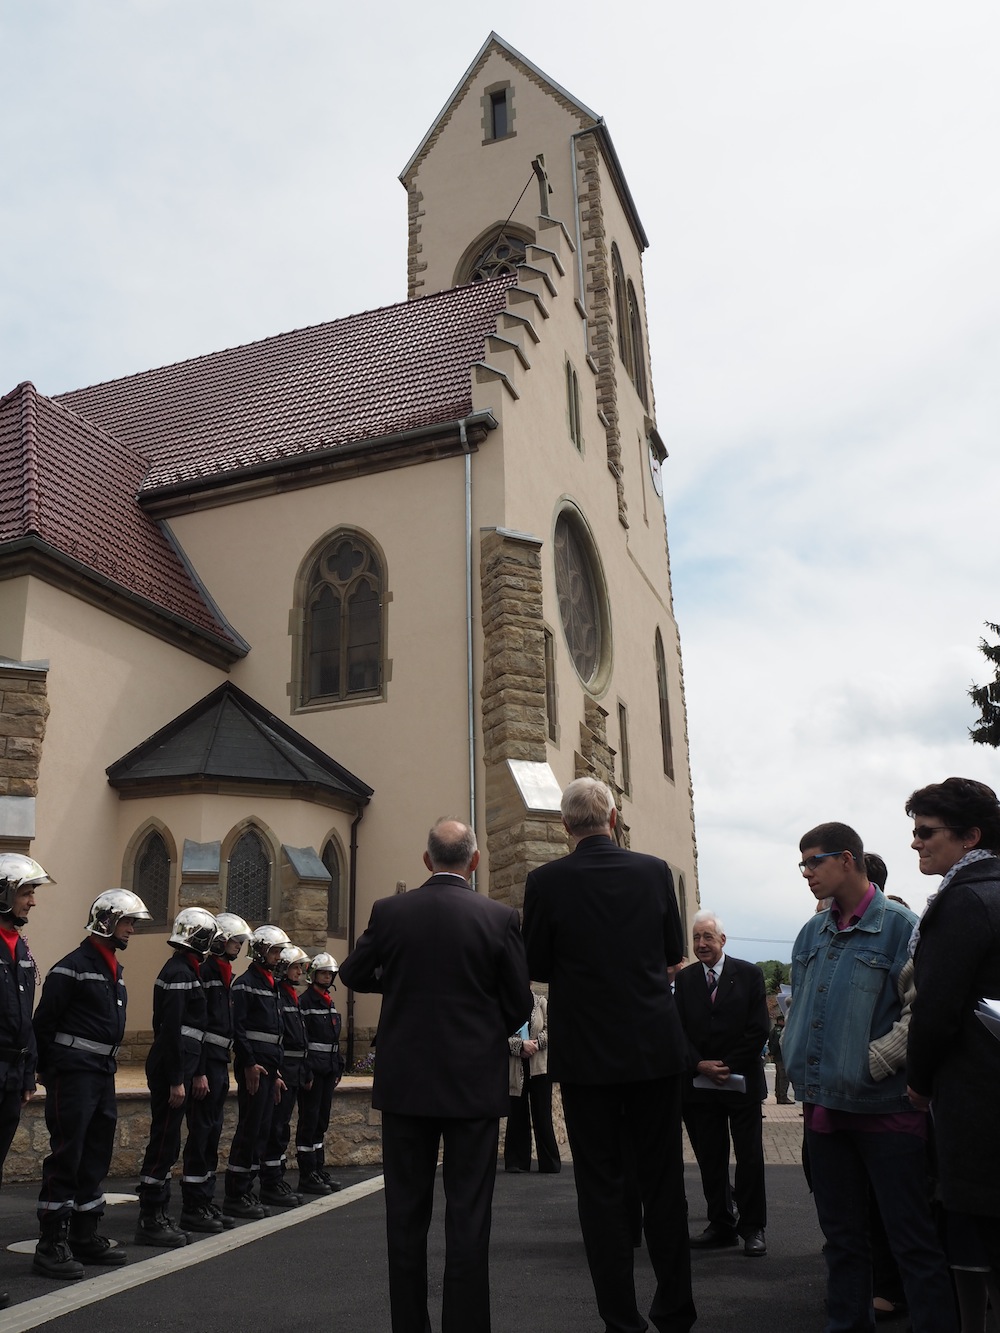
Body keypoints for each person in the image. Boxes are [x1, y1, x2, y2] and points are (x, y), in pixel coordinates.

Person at [339, 817, 530, 1333]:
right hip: (472, 1084)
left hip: (407, 1083)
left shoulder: (390, 911)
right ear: (474, 861)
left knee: (405, 1214)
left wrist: (400, 984)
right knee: (469, 1215)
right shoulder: (498, 917)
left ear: (427, 861)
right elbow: (517, 1002)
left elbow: (353, 973)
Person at [523, 776, 696, 1333]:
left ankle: (621, 1319)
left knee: (598, 1188)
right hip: (652, 1048)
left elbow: (539, 965)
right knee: (662, 1180)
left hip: (588, 1055)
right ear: (614, 818)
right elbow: (673, 951)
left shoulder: (545, 881)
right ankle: (675, 1309)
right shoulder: (652, 871)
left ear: (565, 826)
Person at [782, 822, 957, 1333]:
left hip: (886, 1113)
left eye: (814, 861)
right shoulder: (811, 932)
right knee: (842, 1242)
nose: (807, 873)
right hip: (824, 1110)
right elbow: (798, 1010)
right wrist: (797, 1063)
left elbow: (922, 1012)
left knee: (912, 1242)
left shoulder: (902, 925)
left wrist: (877, 1060)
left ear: (848, 860)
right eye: (803, 864)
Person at [905, 778, 1000, 1330]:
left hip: (974, 1092)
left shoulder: (962, 900)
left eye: (926, 832)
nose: (916, 842)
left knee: (980, 1238)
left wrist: (918, 1082)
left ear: (970, 837)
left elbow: (935, 1011)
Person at [33, 889, 151, 1279]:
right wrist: (49, 1071)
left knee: (95, 1152)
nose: (132, 930)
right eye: (127, 922)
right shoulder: (72, 966)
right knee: (68, 1154)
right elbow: (45, 1023)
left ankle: (85, 1233)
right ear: (106, 922)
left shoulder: (112, 968)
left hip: (101, 1072)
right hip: (74, 1073)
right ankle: (51, 1244)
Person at [673, 910, 769, 1257]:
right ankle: (721, 1224)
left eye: (708, 938)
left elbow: (759, 1028)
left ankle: (753, 1227)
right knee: (711, 1159)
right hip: (700, 1086)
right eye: (697, 938)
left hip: (740, 1083)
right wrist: (699, 1063)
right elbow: (677, 1030)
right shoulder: (685, 982)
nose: (701, 944)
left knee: (749, 1158)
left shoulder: (749, 974)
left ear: (722, 940)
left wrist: (724, 1066)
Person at [135, 906, 221, 1247]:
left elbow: (193, 1032)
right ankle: (150, 1217)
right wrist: (176, 1079)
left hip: (184, 1065)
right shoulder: (179, 972)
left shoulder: (187, 969)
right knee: (164, 1141)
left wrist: (195, 1072)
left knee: (169, 1142)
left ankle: (157, 1213)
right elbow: (170, 1030)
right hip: (172, 1068)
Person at [0, 855, 53, 1309]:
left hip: (11, 1073)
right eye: (25, 892)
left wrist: (28, 1071)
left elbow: (26, 1020)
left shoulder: (20, 948)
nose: (32, 901)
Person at [180, 909, 250, 1232]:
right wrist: (198, 1071)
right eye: (235, 941)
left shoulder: (223, 973)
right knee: (201, 1133)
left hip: (219, 1062)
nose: (239, 946)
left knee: (211, 1133)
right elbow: (198, 1026)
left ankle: (205, 1201)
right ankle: (194, 1205)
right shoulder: (207, 973)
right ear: (221, 942)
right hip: (207, 1064)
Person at [223, 922, 290, 1221]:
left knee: (261, 1130)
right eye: (274, 951)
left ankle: (247, 1189)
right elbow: (239, 1029)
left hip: (267, 1067)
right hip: (254, 1067)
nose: (278, 957)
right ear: (261, 951)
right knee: (249, 1130)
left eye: (279, 951)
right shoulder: (246, 983)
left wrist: (275, 1073)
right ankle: (236, 1194)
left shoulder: (270, 984)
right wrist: (249, 1063)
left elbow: (274, 1033)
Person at [259, 943, 310, 1209]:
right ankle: (269, 1182)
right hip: (284, 1069)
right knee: (276, 1127)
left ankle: (275, 1178)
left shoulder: (290, 995)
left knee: (282, 1128)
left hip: (294, 1070)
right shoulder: (280, 993)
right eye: (295, 967)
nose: (300, 971)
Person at [295, 950, 345, 1196]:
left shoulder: (328, 1002)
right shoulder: (305, 1003)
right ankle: (307, 1174)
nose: (327, 978)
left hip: (328, 1070)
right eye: (323, 973)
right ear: (313, 975)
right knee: (309, 1120)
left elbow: (333, 1040)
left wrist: (338, 1065)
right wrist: (306, 1072)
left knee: (321, 1121)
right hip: (314, 1070)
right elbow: (304, 1040)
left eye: (330, 974)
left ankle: (318, 1168)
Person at [503, 985, 560, 1175]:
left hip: (539, 1068)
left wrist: (535, 1044)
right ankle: (516, 1162)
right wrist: (520, 1046)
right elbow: (500, 1035)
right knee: (517, 1114)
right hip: (516, 1068)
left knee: (542, 1114)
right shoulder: (507, 1006)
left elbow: (550, 1030)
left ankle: (549, 1162)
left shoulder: (541, 1002)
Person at [768, 1013, 791, 1104]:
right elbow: (776, 1043)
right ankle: (783, 1096)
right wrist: (772, 1052)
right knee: (784, 1077)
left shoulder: (774, 1030)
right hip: (781, 1056)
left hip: (778, 1056)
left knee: (779, 1076)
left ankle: (779, 1095)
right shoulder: (779, 1030)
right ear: (781, 1021)